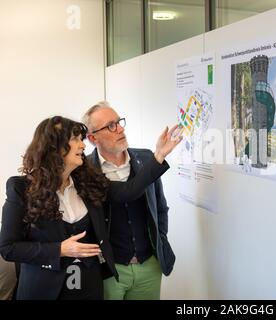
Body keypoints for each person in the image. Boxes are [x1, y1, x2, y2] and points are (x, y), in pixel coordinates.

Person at [0, 116, 181, 300]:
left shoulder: (87, 182)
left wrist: (159, 155)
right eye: (76, 139)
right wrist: (59, 250)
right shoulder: (21, 188)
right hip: (43, 290)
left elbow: (128, 191)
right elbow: (8, 248)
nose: (83, 145)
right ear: (54, 147)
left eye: (82, 139)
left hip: (88, 287)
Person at [83, 101, 176, 300]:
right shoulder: (86, 169)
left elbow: (160, 206)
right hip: (110, 270)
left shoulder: (145, 158)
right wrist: (159, 156)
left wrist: (161, 239)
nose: (120, 129)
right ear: (92, 138)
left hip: (148, 265)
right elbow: (126, 192)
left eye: (119, 122)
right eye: (110, 126)